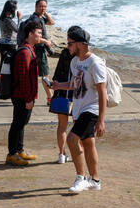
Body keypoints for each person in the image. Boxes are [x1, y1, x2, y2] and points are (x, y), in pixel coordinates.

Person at [47, 25, 106, 193]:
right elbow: (75, 85)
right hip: (79, 110)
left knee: (72, 139)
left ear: (80, 44)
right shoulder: (75, 62)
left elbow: (102, 91)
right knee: (88, 144)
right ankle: (95, 180)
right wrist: (59, 85)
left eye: (70, 43)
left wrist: (101, 120)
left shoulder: (95, 62)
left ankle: (80, 178)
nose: (67, 46)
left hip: (91, 109)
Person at [7, 20, 45, 165]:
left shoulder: (30, 49)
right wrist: (28, 99)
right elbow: (23, 78)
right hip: (21, 96)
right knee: (17, 123)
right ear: (30, 33)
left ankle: (19, 150)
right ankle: (11, 154)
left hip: (26, 95)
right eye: (39, 33)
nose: (40, 36)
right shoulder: (24, 52)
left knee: (22, 123)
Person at [17, 0, 55, 95]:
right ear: (35, 7)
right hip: (38, 49)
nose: (43, 8)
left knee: (37, 74)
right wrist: (46, 41)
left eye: (45, 6)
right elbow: (34, 36)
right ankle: (50, 97)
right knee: (45, 75)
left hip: (36, 49)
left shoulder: (39, 18)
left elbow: (51, 22)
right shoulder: (35, 19)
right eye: (41, 6)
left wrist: (45, 13)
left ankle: (48, 96)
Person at [50, 42, 76, 163]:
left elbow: (57, 73)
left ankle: (62, 154)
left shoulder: (65, 53)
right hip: (76, 95)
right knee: (78, 126)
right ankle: (77, 152)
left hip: (61, 93)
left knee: (62, 126)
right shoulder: (81, 55)